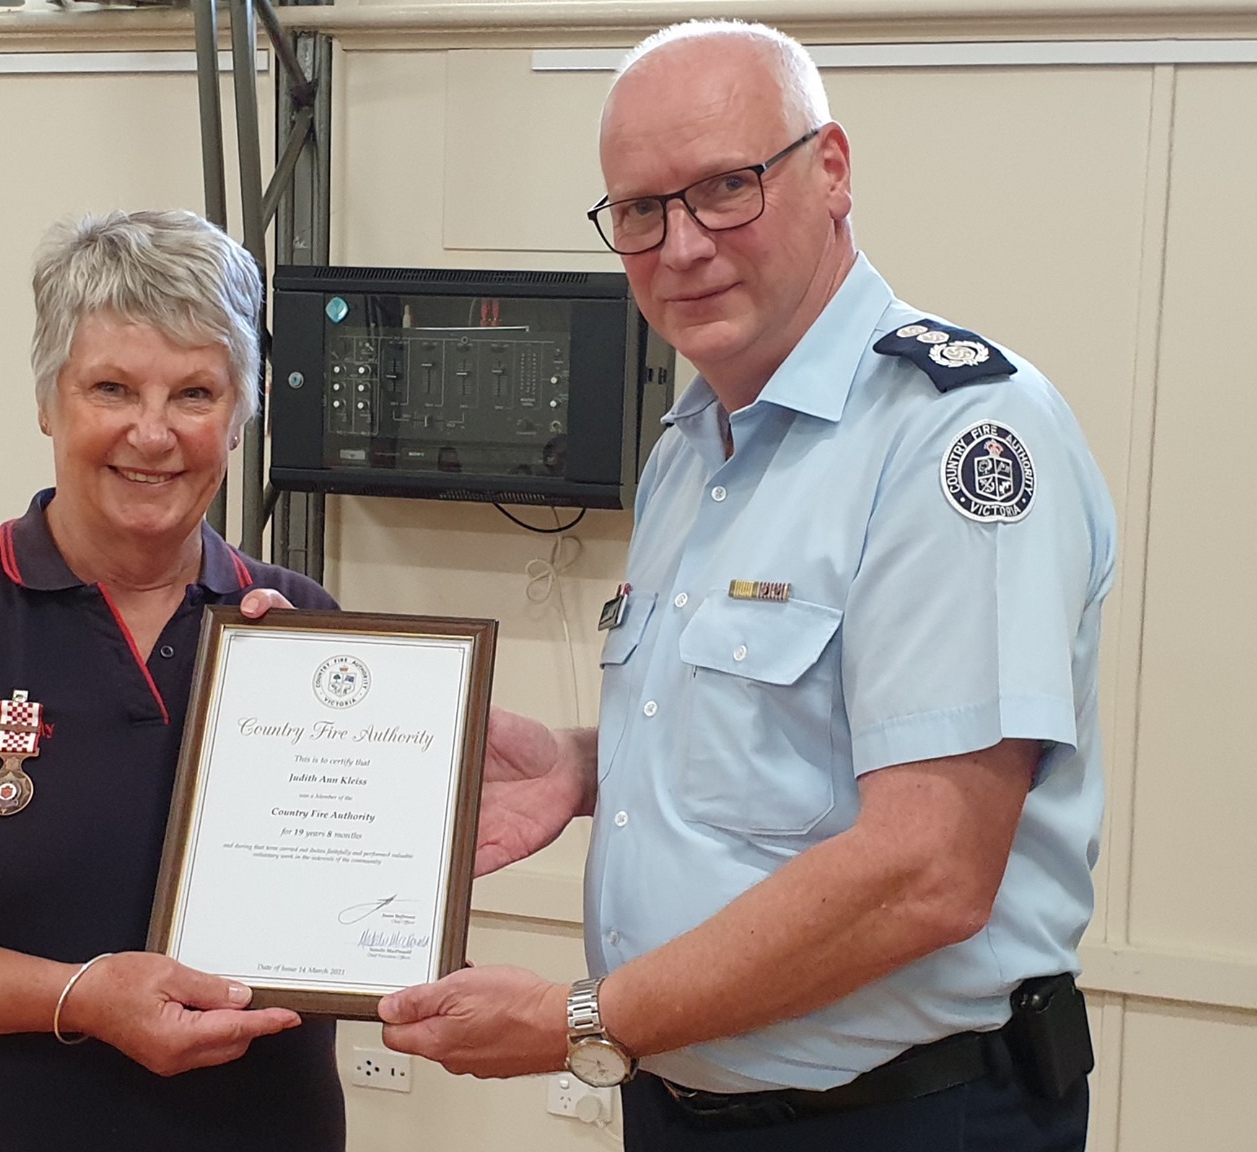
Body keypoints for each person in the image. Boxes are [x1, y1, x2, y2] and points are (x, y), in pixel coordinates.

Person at [373, 20, 1117, 1151]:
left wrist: (584, 1020)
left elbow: (928, 868)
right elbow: (790, 739)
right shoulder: (692, 445)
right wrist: (583, 763)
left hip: (903, 1117)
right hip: (678, 1102)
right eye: (639, 209)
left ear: (833, 171)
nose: (682, 245)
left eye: (727, 187)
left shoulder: (954, 436)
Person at [0, 209, 345, 1151]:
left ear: (239, 417)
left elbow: (357, 908)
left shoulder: (303, 630)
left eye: (196, 393)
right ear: (49, 400)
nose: (153, 433)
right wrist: (79, 997)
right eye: (111, 388)